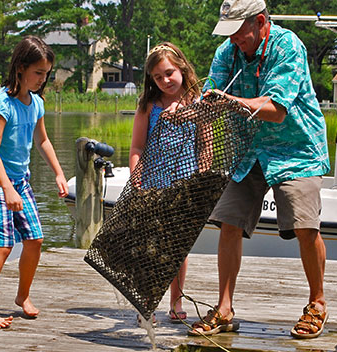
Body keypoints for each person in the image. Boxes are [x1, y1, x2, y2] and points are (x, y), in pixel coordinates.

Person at [187, 0, 330, 339]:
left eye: (239, 31)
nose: (234, 39)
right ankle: (224, 309)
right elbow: (211, 97)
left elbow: (276, 109)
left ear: (260, 21)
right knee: (229, 221)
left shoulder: (287, 45)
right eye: (229, 33)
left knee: (303, 225)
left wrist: (228, 101)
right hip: (248, 149)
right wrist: (199, 114)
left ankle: (318, 303)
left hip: (296, 149)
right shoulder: (227, 51)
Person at [0, 36, 68, 329]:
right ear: (21, 68)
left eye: (46, 73)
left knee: (35, 239)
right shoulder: (3, 103)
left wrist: (59, 172)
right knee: (2, 245)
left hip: (19, 180)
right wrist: (7, 188)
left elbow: (43, 140)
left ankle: (22, 296)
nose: (42, 79)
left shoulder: (35, 103)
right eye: (38, 72)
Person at [130, 42, 202, 324]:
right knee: (152, 247)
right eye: (158, 77)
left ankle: (176, 301)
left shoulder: (197, 103)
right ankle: (145, 302)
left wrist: (203, 180)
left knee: (179, 247)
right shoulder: (149, 105)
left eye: (169, 73)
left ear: (182, 68)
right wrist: (137, 180)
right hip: (154, 185)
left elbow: (205, 144)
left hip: (184, 185)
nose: (165, 81)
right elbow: (137, 147)